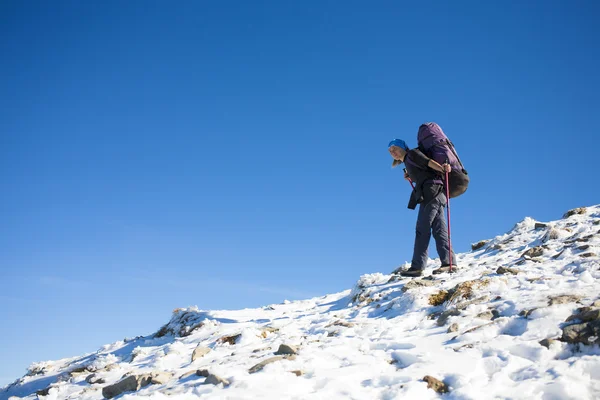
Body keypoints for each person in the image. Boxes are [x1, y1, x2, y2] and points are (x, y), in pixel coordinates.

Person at [388, 139, 456, 277]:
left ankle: (417, 267)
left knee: (422, 229)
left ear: (403, 148)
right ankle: (449, 263)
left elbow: (428, 162)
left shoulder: (412, 154)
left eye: (394, 148)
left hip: (431, 193)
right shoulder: (408, 161)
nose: (392, 152)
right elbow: (426, 171)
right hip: (437, 193)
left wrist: (442, 168)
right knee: (439, 229)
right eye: (390, 151)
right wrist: (411, 177)